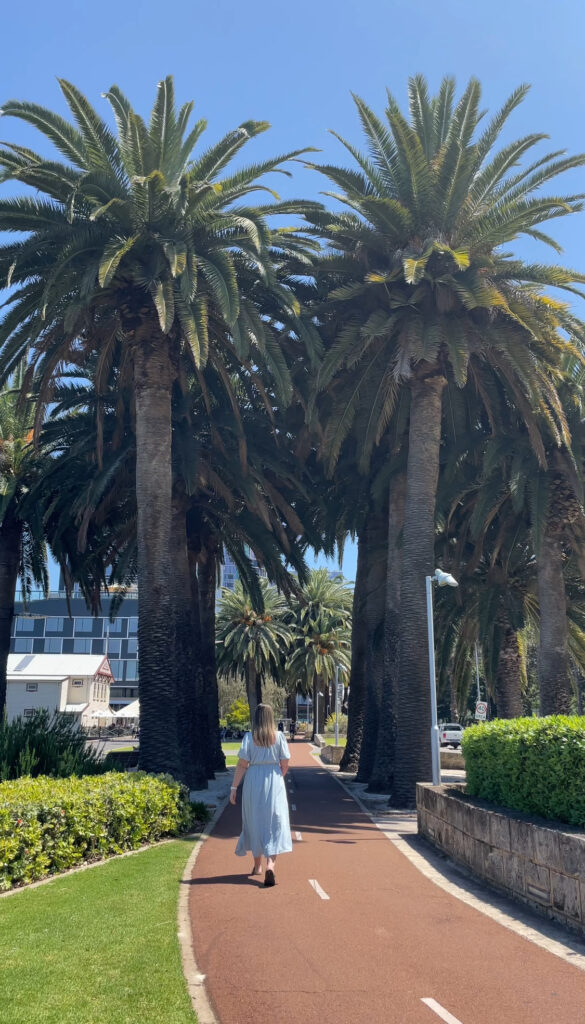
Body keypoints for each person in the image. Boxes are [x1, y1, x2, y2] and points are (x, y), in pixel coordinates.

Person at [230, 703, 292, 887]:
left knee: (253, 821)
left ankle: (257, 866)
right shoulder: (279, 737)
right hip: (274, 779)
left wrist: (234, 788)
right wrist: (278, 777)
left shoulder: (249, 738)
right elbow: (285, 763)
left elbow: (242, 765)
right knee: (274, 822)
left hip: (253, 781)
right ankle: (270, 865)